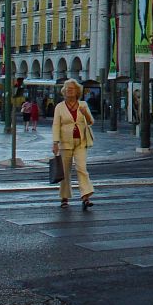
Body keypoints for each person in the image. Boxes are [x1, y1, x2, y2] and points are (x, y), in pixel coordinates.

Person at [51, 79, 95, 210]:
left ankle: (86, 197)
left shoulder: (83, 104)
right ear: (64, 91)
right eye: (67, 89)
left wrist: (85, 112)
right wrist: (55, 142)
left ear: (77, 91)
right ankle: (64, 197)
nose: (70, 90)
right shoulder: (59, 107)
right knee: (65, 172)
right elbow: (56, 125)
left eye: (72, 88)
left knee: (82, 168)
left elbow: (91, 121)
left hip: (81, 142)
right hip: (65, 143)